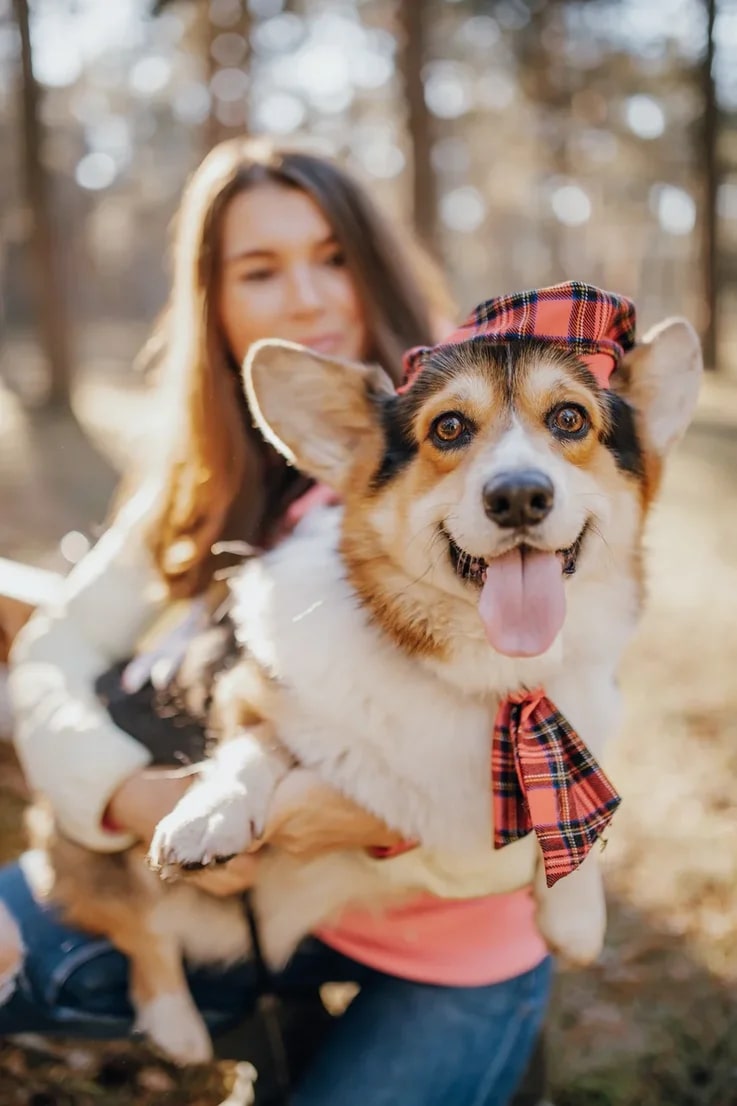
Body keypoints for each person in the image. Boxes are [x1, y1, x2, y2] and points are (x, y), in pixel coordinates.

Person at [0, 137, 552, 1105]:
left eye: (331, 254)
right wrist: (132, 794)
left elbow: (564, 776)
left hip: (447, 938)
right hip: (244, 896)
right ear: (211, 301)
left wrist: (363, 817)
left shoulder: (491, 437)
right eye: (260, 270)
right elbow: (52, 653)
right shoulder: (200, 471)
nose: (307, 297)